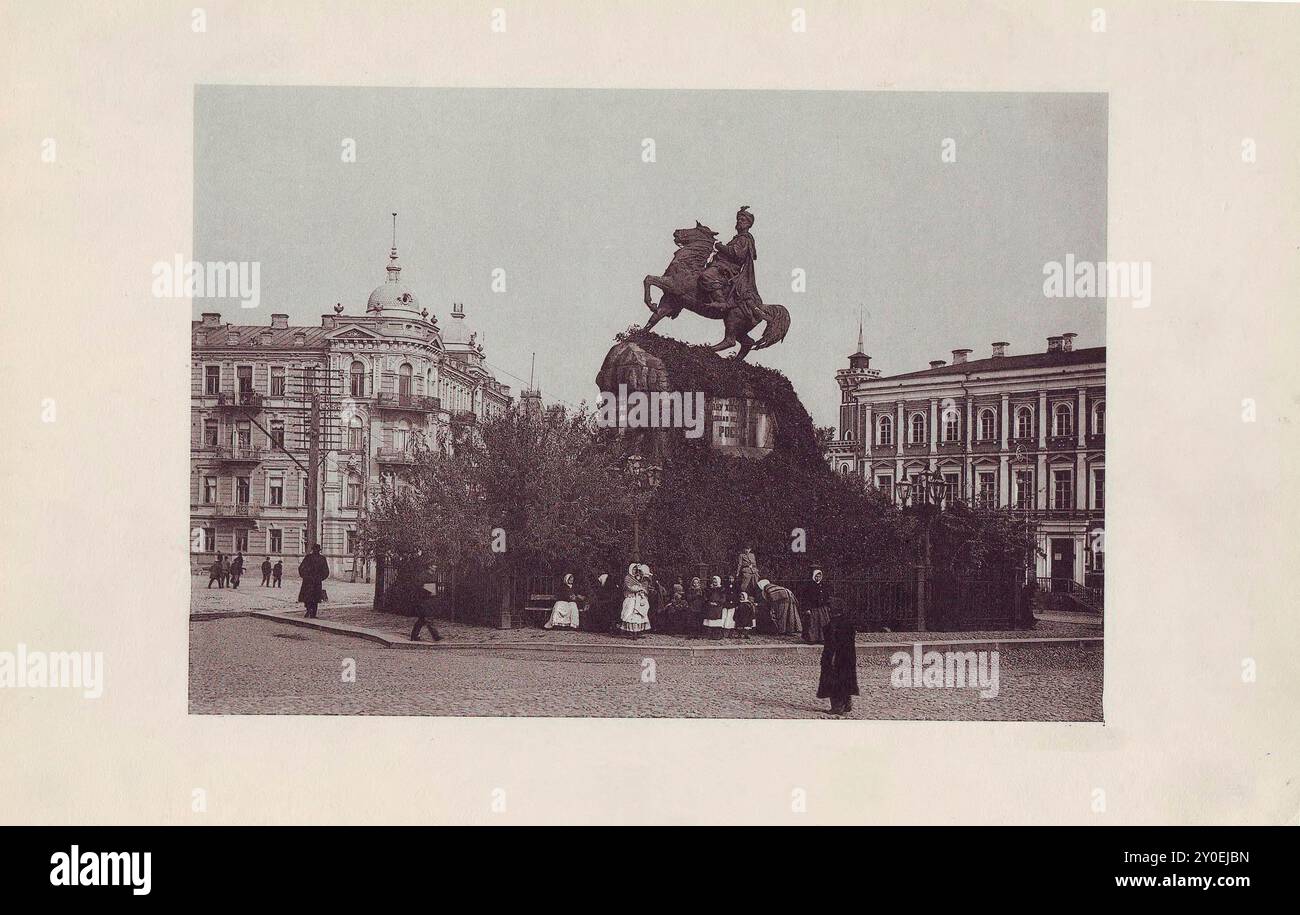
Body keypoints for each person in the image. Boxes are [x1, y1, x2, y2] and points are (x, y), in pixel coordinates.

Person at [817, 597, 859, 715]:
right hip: (848, 656)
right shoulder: (847, 622)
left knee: (833, 681)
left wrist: (830, 658)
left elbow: (832, 644)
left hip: (835, 657)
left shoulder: (833, 625)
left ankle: (837, 707)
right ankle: (847, 703)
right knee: (846, 679)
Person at [387, 564, 443, 642]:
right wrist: (428, 592)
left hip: (428, 600)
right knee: (428, 618)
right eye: (434, 565)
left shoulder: (431, 576)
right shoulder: (423, 576)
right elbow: (419, 588)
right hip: (423, 600)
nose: (435, 567)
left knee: (422, 619)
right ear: (429, 566)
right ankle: (436, 636)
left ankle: (414, 635)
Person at [797, 569, 831, 644]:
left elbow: (826, 596)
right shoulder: (809, 586)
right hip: (813, 608)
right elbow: (806, 598)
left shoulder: (823, 585)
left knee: (823, 623)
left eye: (819, 576)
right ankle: (812, 639)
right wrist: (807, 608)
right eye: (816, 576)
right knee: (812, 624)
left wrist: (827, 605)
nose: (818, 578)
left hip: (822, 608)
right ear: (813, 576)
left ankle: (822, 639)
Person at [297, 544, 330, 619]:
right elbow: (326, 571)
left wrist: (304, 576)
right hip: (315, 581)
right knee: (315, 598)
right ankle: (312, 613)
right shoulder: (321, 558)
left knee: (308, 597)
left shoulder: (308, 557)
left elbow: (301, 568)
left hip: (308, 581)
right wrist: (321, 578)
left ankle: (309, 610)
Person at [618, 564, 651, 638]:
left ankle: (638, 631)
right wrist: (639, 588)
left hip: (637, 599)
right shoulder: (628, 578)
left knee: (638, 615)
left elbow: (643, 585)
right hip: (630, 598)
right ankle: (629, 632)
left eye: (636, 569)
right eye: (633, 569)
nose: (635, 571)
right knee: (629, 614)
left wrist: (641, 588)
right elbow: (630, 587)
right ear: (630, 569)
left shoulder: (637, 578)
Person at [702, 575, 728, 640]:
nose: (714, 583)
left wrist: (717, 603)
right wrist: (709, 602)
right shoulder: (709, 589)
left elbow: (723, 598)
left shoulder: (722, 589)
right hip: (710, 607)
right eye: (713, 581)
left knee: (717, 621)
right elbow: (705, 597)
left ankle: (717, 635)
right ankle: (709, 635)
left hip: (718, 608)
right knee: (710, 621)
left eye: (716, 581)